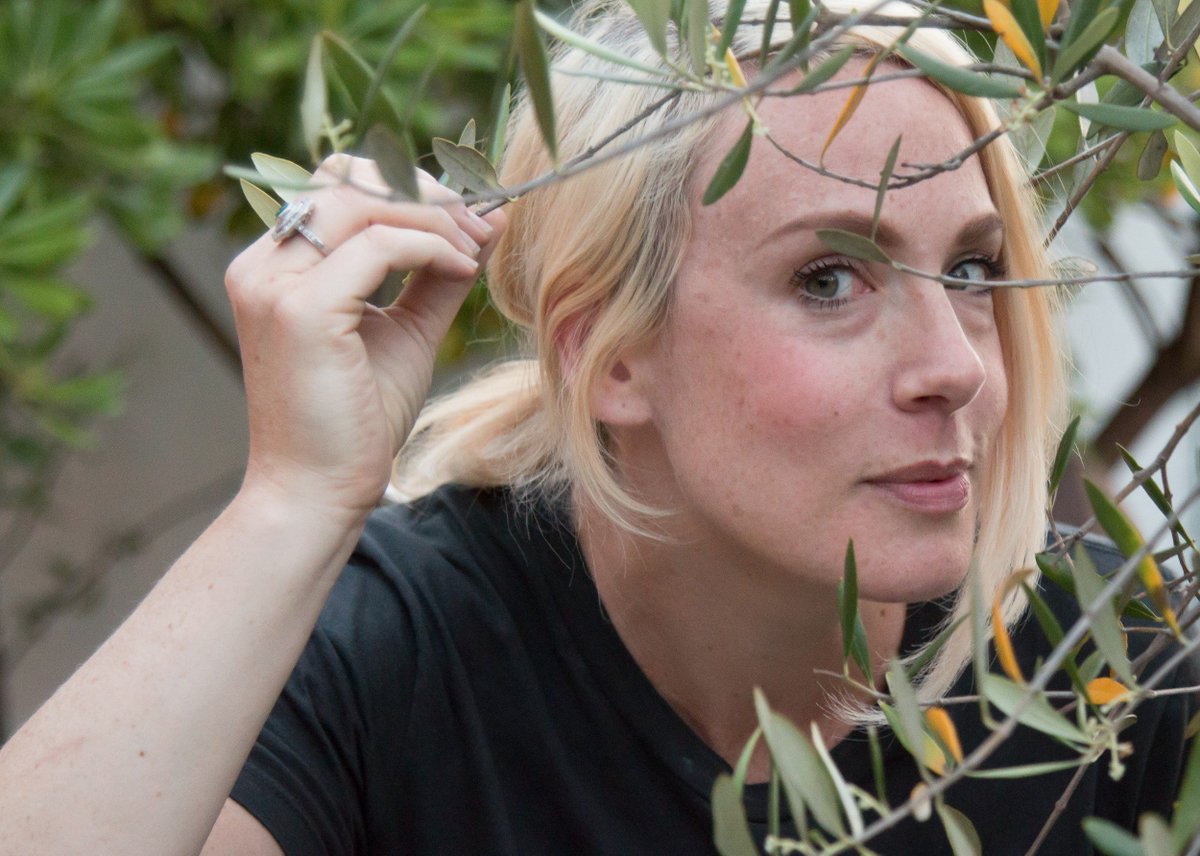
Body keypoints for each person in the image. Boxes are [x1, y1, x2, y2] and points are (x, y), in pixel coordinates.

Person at [0, 1, 1195, 853]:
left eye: (974, 271)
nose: (955, 366)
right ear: (607, 353)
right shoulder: (407, 646)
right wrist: (292, 502)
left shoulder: (1093, 664)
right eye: (830, 279)